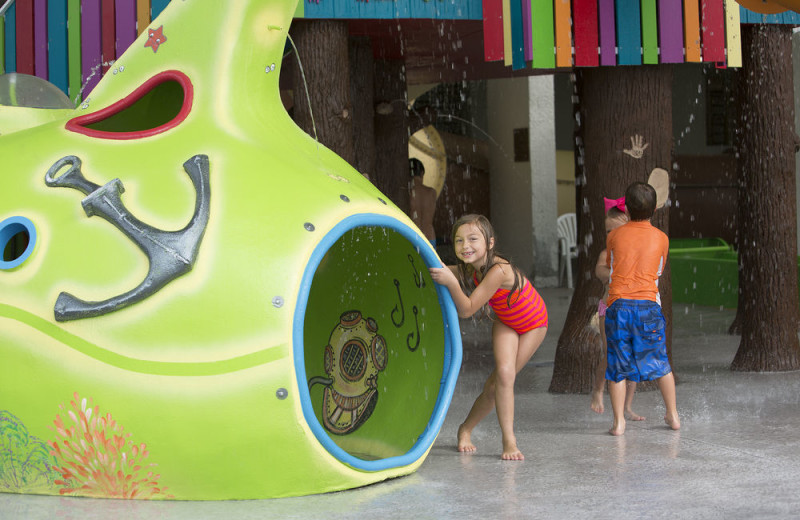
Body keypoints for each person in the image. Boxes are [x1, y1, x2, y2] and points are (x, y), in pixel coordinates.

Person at [429, 214, 547, 460]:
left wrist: (451, 283)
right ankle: (466, 429)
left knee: (501, 382)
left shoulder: (498, 270)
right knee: (499, 379)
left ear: (490, 243)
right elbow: (437, 267)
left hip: (534, 325)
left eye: (473, 239)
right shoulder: (471, 267)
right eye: (459, 241)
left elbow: (467, 309)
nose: (465, 246)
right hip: (506, 322)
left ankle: (508, 441)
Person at [603, 182, 680, 436]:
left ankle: (618, 423)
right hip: (648, 306)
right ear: (655, 208)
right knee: (660, 362)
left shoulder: (614, 236)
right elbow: (658, 271)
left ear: (626, 209)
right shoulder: (662, 238)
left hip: (618, 307)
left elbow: (611, 266)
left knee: (617, 365)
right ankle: (672, 414)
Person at [590, 201, 643, 422]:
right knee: (611, 354)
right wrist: (614, 270)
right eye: (609, 231)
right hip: (609, 310)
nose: (612, 235)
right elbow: (600, 272)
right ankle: (597, 391)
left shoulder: (639, 252)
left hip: (634, 311)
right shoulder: (607, 254)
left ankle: (627, 406)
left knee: (634, 359)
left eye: (618, 230)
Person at [408, 158, 437, 246]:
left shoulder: (407, 193)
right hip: (429, 237)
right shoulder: (432, 192)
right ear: (422, 173)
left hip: (412, 236)